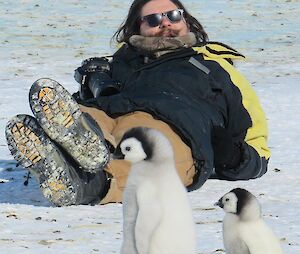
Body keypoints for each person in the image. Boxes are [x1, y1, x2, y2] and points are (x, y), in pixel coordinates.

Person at [5, 0, 270, 206]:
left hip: (177, 124)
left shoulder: (214, 66)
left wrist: (234, 156)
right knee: (87, 117)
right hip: (111, 113)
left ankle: (83, 181)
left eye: (173, 15)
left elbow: (257, 147)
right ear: (138, 28)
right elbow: (75, 107)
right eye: (153, 19)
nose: (165, 23)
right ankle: (83, 141)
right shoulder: (119, 64)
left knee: (155, 155)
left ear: (186, 21)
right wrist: (90, 86)